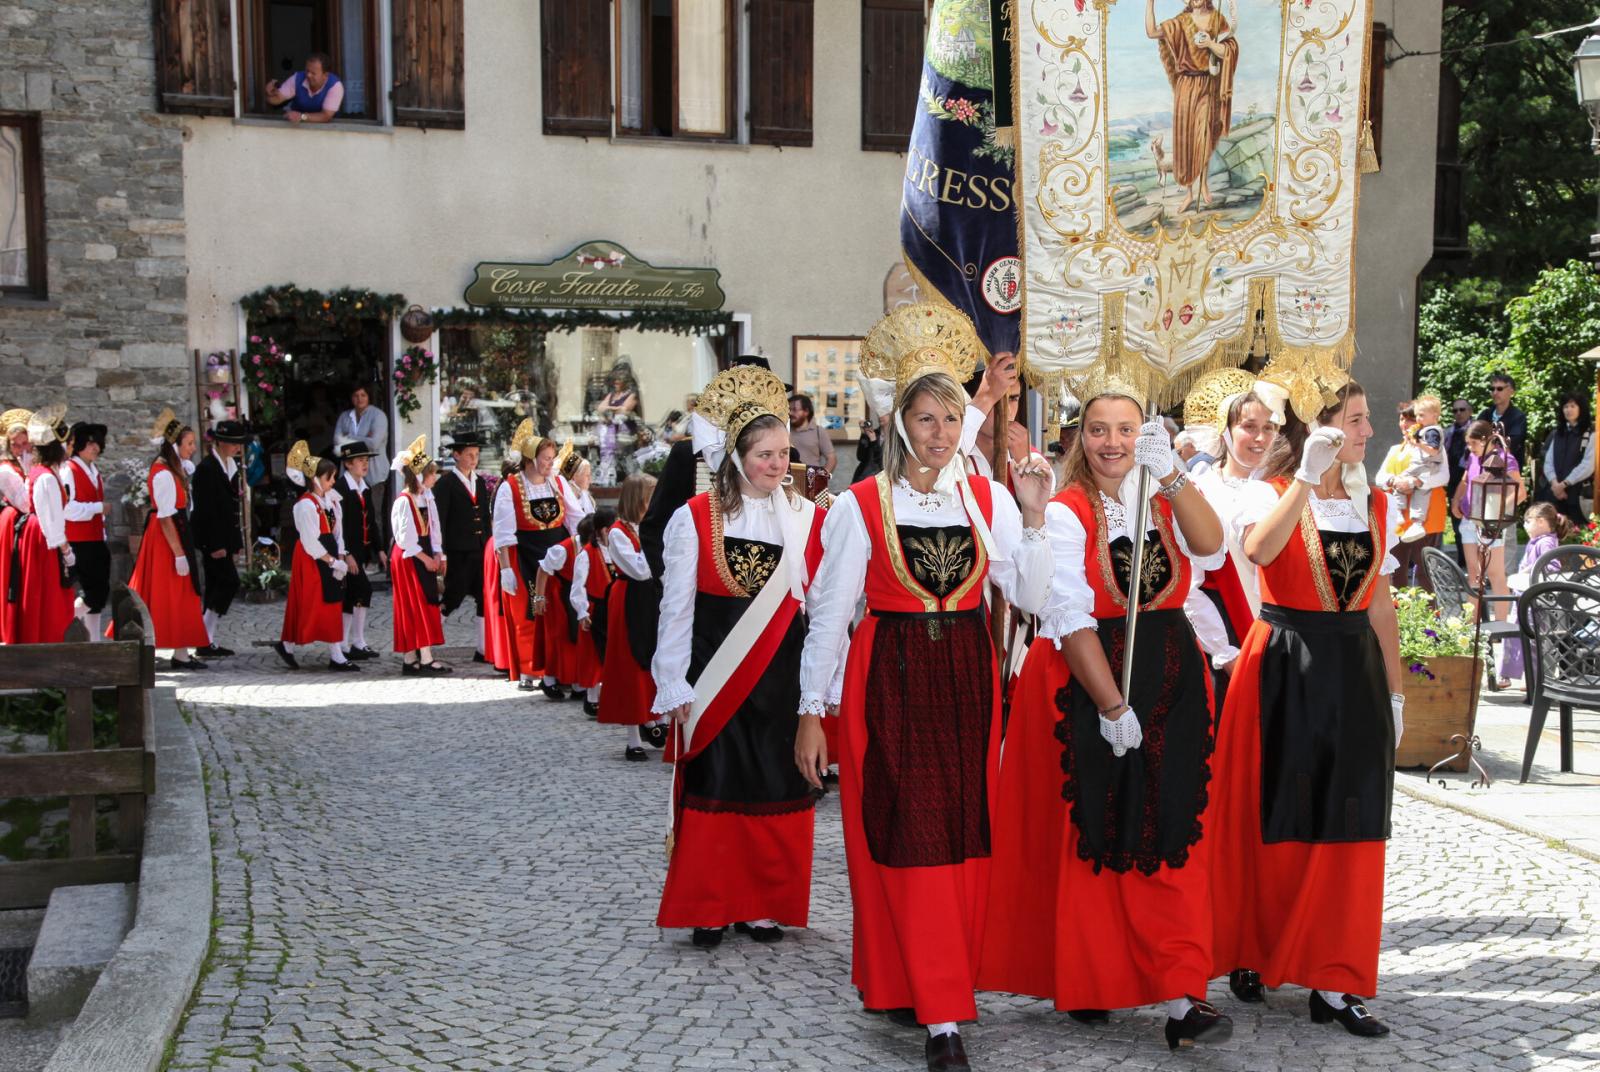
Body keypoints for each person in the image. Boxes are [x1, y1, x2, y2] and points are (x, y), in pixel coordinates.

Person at [793, 305, 1052, 1072]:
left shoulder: (986, 500)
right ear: (899, 423)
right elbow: (831, 615)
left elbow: (1031, 597)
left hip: (968, 678)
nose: (940, 432)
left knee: (961, 833)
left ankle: (936, 988)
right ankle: (940, 1012)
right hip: (891, 678)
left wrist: (1034, 519)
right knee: (907, 833)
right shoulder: (860, 506)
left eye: (949, 418)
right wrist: (814, 714)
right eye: (926, 417)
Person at [981, 381, 1230, 1053]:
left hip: (1173, 677)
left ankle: (1183, 996)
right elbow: (1066, 619)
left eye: (1126, 429)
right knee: (1102, 831)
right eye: (1099, 430)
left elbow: (1212, 549)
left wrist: (1175, 475)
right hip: (1091, 680)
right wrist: (1111, 705)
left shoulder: (1164, 497)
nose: (1113, 443)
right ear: (1078, 437)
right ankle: (1091, 980)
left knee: (1172, 826)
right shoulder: (1066, 512)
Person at [1207, 378, 1403, 1037]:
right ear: (1317, 429)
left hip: (1353, 670)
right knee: (1277, 823)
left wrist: (1396, 692)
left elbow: (1379, 600)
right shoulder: (1270, 493)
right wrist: (1303, 480)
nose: (1367, 431)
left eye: (1366, 418)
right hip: (1284, 666)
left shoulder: (1372, 503)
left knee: (1351, 824)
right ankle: (1256, 950)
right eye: (1355, 419)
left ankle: (1334, 978)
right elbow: (1258, 552)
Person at [652, 364, 827, 951]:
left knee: (773, 783)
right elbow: (674, 609)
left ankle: (762, 905)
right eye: (765, 455)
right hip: (716, 671)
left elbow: (822, 604)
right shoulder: (693, 518)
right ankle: (710, 904)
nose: (778, 465)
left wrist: (819, 691)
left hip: (781, 671)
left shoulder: (806, 518)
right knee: (718, 780)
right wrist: (672, 681)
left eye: (784, 453)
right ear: (736, 456)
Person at [484, 421, 583, 691]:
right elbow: (503, 532)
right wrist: (505, 568)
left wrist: (582, 550)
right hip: (525, 556)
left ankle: (561, 669)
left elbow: (576, 520)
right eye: (546, 459)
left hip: (558, 556)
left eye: (552, 458)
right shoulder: (510, 487)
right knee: (530, 614)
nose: (551, 464)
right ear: (530, 459)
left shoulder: (558, 482)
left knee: (561, 613)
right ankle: (531, 669)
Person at [123, 409, 210, 667]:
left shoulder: (173, 468)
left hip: (177, 531)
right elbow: (164, 517)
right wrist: (179, 553)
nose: (193, 448)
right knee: (169, 593)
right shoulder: (162, 473)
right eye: (190, 443)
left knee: (182, 593)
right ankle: (146, 647)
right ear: (175, 445)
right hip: (166, 539)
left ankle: (181, 653)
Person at [1145, 0, 1239, 215]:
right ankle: (1189, 193)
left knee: (1204, 137)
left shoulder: (1217, 19)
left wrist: (1211, 45)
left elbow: (1229, 51)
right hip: (1185, 88)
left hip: (1208, 84)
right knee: (1186, 141)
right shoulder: (1180, 22)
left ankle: (1204, 184)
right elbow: (1151, 32)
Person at [597, 473, 665, 756]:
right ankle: (633, 737)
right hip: (629, 598)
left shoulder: (648, 529)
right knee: (629, 664)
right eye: (650, 499)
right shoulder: (617, 533)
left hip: (651, 597)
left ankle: (656, 720)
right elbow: (640, 569)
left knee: (656, 658)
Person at [1454, 420, 1525, 686]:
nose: (1470, 448)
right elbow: (1465, 479)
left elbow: (1519, 492)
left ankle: (1500, 626)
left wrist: (1495, 510)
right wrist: (1456, 499)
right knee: (1474, 574)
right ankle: (1470, 628)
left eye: (1474, 443)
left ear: (1488, 439)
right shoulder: (1474, 456)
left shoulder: (1505, 460)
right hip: (1470, 520)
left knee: (1495, 574)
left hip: (1492, 523)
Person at [274, 441, 355, 672]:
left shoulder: (331, 501)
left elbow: (338, 530)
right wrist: (332, 560)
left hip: (328, 553)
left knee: (330, 602)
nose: (332, 482)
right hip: (312, 557)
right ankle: (291, 645)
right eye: (329, 478)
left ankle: (333, 652)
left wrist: (340, 554)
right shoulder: (305, 506)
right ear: (316, 479)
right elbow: (310, 542)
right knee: (312, 604)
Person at [389, 435, 452, 676]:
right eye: (431, 473)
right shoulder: (404, 501)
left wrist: (439, 554)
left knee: (426, 601)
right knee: (415, 604)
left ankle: (412, 658)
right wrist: (426, 559)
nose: (435, 478)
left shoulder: (426, 497)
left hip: (423, 552)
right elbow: (405, 539)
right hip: (410, 557)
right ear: (419, 476)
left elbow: (434, 528)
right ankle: (422, 658)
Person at [16, 406, 79, 646]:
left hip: (39, 536)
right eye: (69, 443)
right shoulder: (45, 477)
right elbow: (51, 521)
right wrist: (66, 551)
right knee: (49, 596)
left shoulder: (43, 472)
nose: (70, 448)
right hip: (43, 540)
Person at [190, 420, 250, 658]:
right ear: (222, 442)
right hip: (213, 541)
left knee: (218, 585)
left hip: (225, 539)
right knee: (227, 583)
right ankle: (203, 637)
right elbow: (205, 511)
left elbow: (232, 509)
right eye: (235, 444)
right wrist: (214, 545)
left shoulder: (229, 466)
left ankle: (207, 639)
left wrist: (235, 544)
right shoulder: (206, 469)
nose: (238, 448)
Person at [1499, 502, 1575, 685]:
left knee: (1532, 639)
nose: (1524, 525)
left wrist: (1528, 571)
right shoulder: (1537, 541)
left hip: (1535, 600)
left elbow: (1551, 566)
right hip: (1524, 597)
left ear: (1540, 522)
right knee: (1517, 636)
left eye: (1527, 521)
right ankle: (1511, 674)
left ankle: (1531, 678)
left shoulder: (1546, 542)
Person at [435, 432, 492, 662]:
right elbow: (440, 518)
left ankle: (483, 648)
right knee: (453, 597)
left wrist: (488, 543)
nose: (473, 459)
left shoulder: (478, 481)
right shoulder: (446, 483)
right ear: (456, 455)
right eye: (469, 455)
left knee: (483, 597)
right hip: (458, 551)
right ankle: (428, 639)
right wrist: (442, 552)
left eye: (476, 455)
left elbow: (485, 518)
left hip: (478, 548)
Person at [62, 422, 110, 642]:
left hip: (95, 538)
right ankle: (64, 620)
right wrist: (98, 508)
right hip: (79, 539)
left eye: (97, 443)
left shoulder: (93, 470)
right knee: (94, 592)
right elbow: (68, 509)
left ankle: (94, 640)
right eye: (90, 443)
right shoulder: (68, 470)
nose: (95, 448)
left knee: (99, 593)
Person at [333, 439, 381, 660]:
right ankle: (351, 642)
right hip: (347, 552)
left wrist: (379, 548)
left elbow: (371, 521)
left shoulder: (365, 488)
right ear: (348, 464)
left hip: (361, 552)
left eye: (366, 460)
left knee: (354, 594)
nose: (365, 464)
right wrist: (348, 554)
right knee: (361, 590)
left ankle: (353, 642)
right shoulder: (341, 489)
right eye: (360, 460)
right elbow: (341, 527)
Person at [569, 509, 617, 719]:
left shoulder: (618, 549)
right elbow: (577, 587)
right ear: (603, 531)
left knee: (613, 654)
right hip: (596, 610)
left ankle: (610, 695)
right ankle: (592, 698)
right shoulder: (587, 554)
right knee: (594, 655)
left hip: (615, 609)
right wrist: (582, 612)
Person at [335, 385, 390, 555]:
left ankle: (377, 555)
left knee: (374, 516)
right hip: (350, 474)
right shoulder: (345, 416)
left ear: (369, 396)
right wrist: (363, 439)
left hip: (374, 474)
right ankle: (352, 553)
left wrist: (349, 438)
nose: (360, 399)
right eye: (356, 395)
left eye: (363, 395)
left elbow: (374, 443)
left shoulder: (378, 415)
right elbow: (337, 443)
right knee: (350, 516)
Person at [0, 407, 32, 645]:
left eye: (25, 444)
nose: (21, 450)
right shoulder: (6, 470)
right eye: (16, 445)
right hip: (11, 526)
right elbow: (26, 504)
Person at [1540, 392, 1593, 529]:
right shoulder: (1558, 433)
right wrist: (1554, 484)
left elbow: (1588, 465)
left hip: (1578, 494)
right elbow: (1549, 461)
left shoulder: (1591, 433)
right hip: (1554, 494)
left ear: (1581, 408)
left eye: (1572, 406)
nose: (1568, 410)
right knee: (1554, 531)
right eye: (1565, 406)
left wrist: (1564, 484)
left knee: (1579, 534)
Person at [264, 52, 343, 124]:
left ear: (325, 75)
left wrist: (301, 116)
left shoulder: (335, 86)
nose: (308, 75)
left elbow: (326, 116)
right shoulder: (297, 78)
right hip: (297, 127)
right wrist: (270, 94)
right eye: (307, 71)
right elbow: (277, 99)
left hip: (327, 130)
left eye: (313, 73)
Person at [1443, 398, 1473, 565]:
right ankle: (1462, 560)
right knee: (1456, 524)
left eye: (1462, 409)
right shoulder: (1449, 432)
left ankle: (1471, 561)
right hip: (1453, 481)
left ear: (1470, 411)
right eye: (1455, 410)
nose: (1459, 413)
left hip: (1470, 479)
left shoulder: (1475, 431)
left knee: (1470, 522)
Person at [1477, 370, 1527, 465]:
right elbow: (1474, 439)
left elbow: (1510, 445)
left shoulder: (1518, 417)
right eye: (1492, 389)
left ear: (1511, 391)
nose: (1495, 392)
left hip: (1507, 471)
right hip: (1482, 467)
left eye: (1499, 389)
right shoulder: (1485, 414)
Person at [787, 393, 837, 475]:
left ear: (806, 411)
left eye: (795, 409)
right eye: (789, 409)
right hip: (788, 480)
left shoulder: (818, 431)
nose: (791, 413)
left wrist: (821, 478)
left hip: (810, 482)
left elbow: (832, 459)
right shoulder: (784, 430)